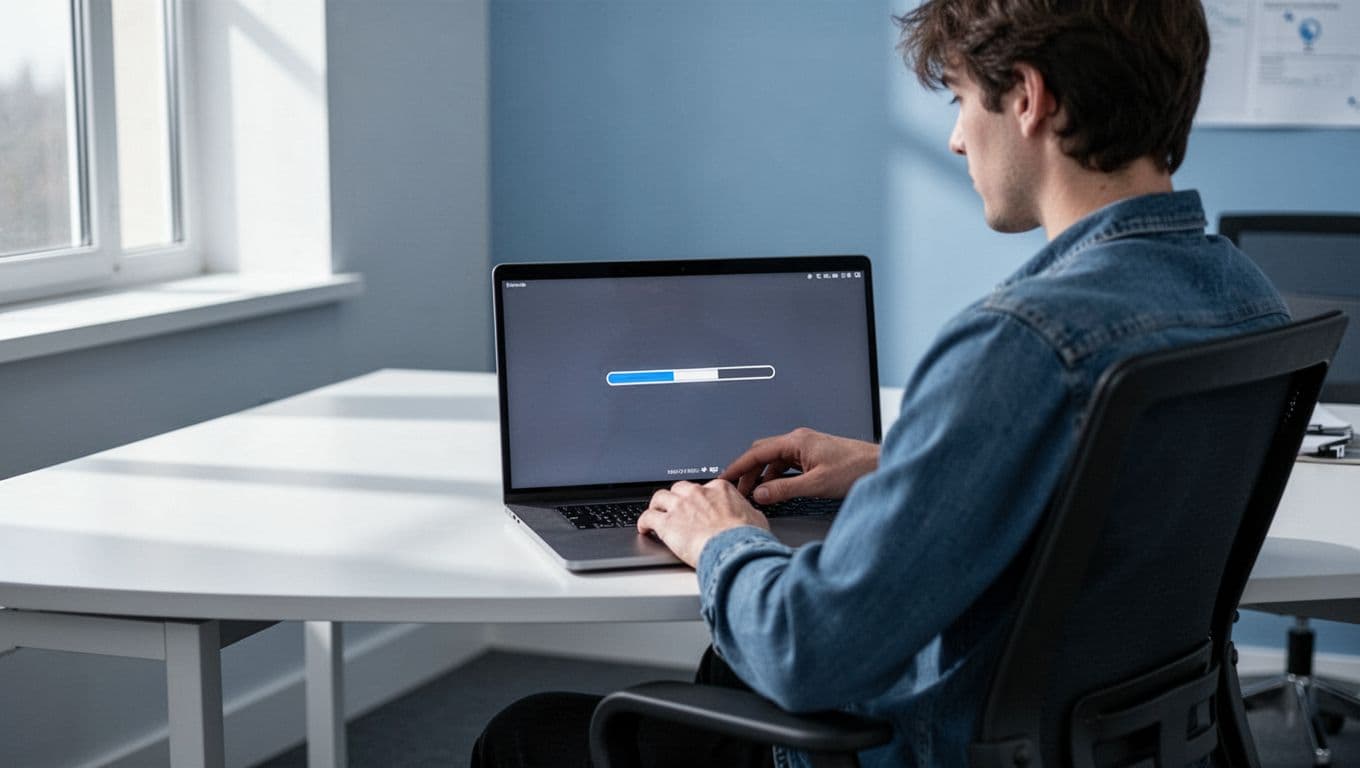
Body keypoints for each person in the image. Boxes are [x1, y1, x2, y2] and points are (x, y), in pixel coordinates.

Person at [472, 1, 1290, 766]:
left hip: (924, 744)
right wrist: (902, 461)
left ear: (1030, 98)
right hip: (1116, 740)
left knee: (522, 732)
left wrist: (717, 532)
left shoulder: (1021, 340)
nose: (958, 141)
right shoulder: (1245, 296)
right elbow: (1110, 501)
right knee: (721, 669)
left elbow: (806, 651)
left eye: (961, 101)